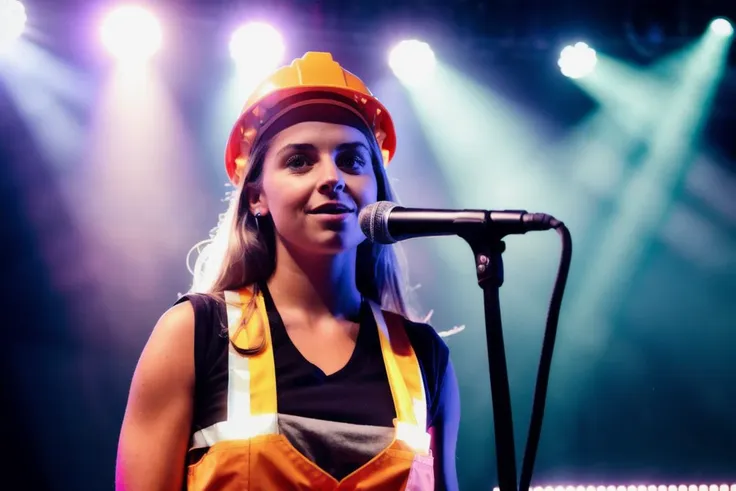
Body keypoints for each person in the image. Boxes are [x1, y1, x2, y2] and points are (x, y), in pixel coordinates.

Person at [115, 51, 460, 490]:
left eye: (353, 160)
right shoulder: (193, 334)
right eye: (299, 160)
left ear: (377, 189)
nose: (331, 177)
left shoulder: (424, 358)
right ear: (257, 196)